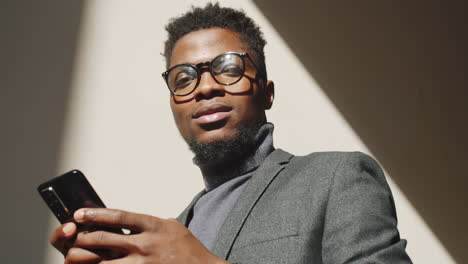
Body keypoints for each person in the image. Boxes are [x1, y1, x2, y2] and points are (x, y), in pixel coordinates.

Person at [50, 3, 412, 264]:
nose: (204, 88)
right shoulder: (168, 239)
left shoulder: (336, 178)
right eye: (184, 78)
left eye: (229, 68)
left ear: (267, 93)